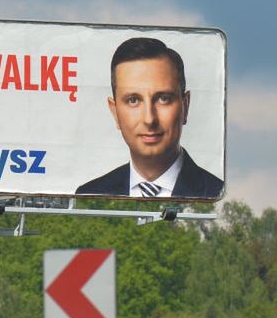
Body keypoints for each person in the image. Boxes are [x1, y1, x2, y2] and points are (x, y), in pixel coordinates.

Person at [76, 37, 223, 199]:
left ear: (185, 106)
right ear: (115, 111)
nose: (149, 119)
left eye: (163, 98)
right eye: (133, 100)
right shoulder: (89, 194)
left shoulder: (217, 193)